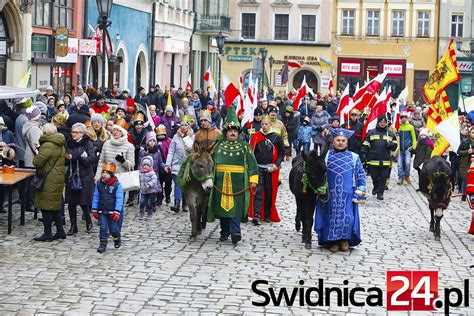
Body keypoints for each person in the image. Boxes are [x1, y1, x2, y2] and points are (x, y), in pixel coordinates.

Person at [207, 106, 259, 245]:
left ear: (238, 133)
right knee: (222, 209)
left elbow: (252, 164)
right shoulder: (218, 146)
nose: (232, 133)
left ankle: (236, 233)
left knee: (236, 208)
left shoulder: (245, 147)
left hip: (239, 185)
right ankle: (224, 232)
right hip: (220, 183)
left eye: (235, 131)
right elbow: (210, 163)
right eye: (230, 130)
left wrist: (253, 180)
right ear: (226, 132)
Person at [314, 128, 366, 252]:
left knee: (348, 217)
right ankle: (333, 242)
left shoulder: (354, 157)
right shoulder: (326, 156)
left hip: (348, 194)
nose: (341, 142)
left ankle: (345, 240)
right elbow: (318, 173)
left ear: (347, 142)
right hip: (330, 194)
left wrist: (362, 187)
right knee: (331, 217)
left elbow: (360, 174)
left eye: (343, 140)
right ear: (333, 141)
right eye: (338, 140)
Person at [33, 123, 67, 242]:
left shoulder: (48, 145)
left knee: (46, 206)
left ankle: (48, 234)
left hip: (49, 179)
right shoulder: (59, 143)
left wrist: (37, 153)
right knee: (54, 206)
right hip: (57, 177)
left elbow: (38, 162)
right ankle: (60, 231)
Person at [249, 115, 285, 225]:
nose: (264, 126)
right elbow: (251, 153)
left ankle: (267, 215)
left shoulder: (276, 137)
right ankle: (257, 215)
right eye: (262, 124)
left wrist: (277, 164)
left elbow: (282, 152)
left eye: (266, 124)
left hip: (270, 169)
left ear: (270, 124)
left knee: (269, 192)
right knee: (258, 191)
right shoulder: (256, 137)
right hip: (258, 167)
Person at [65, 123, 97, 235]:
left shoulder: (88, 143)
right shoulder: (69, 143)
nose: (73, 134)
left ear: (82, 133)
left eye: (76, 132)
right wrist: (67, 158)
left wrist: (78, 157)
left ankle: (88, 220)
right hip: (71, 175)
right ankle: (73, 226)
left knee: (83, 201)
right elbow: (65, 158)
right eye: (72, 132)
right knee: (71, 202)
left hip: (85, 176)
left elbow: (92, 159)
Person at [361, 114, 398, 200]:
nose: (382, 124)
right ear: (378, 122)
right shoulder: (371, 132)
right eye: (381, 122)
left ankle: (380, 193)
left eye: (384, 122)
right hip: (374, 159)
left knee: (384, 177)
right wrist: (363, 153)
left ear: (386, 123)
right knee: (374, 176)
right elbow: (366, 144)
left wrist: (391, 145)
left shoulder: (390, 133)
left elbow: (395, 145)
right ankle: (375, 186)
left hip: (385, 160)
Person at [92, 162, 124, 253]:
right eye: (103, 172)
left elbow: (119, 199)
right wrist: (94, 209)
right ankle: (102, 244)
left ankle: (117, 238)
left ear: (111, 174)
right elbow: (96, 197)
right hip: (102, 210)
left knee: (113, 229)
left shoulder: (117, 185)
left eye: (107, 173)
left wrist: (117, 211)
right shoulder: (99, 184)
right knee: (103, 228)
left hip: (113, 211)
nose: (104, 175)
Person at [165, 117, 194, 213]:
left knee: (185, 184)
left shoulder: (192, 137)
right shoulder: (175, 137)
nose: (183, 127)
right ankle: (177, 203)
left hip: (187, 164)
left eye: (186, 125)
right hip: (177, 164)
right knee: (178, 183)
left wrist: (186, 139)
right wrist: (167, 164)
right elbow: (171, 151)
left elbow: (192, 150)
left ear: (189, 126)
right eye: (182, 125)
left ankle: (185, 203)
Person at [138, 132, 165, 210]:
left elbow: (160, 162)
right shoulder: (143, 152)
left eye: (153, 141)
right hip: (145, 174)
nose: (152, 143)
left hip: (154, 174)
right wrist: (139, 171)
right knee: (146, 190)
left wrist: (165, 167)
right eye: (150, 141)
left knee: (153, 190)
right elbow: (140, 163)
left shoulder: (157, 152)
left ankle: (153, 203)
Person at [397, 111, 417, 185]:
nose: (404, 119)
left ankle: (407, 176)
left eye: (405, 117)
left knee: (408, 163)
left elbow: (413, 137)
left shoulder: (410, 127)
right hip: (400, 148)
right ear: (401, 118)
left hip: (407, 148)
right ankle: (400, 177)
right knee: (400, 164)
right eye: (402, 117)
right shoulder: (399, 126)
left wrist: (413, 146)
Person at [0, 117, 15, 213]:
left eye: (1, 124)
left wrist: (7, 149)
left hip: (5, 163)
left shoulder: (8, 134)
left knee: (2, 186)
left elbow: (13, 150)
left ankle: (0, 204)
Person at [155, 124, 172, 205]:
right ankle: (159, 197)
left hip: (167, 165)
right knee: (159, 184)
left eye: (162, 135)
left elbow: (171, 152)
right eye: (159, 135)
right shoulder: (155, 141)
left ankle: (167, 195)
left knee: (168, 183)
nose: (161, 136)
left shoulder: (169, 141)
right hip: (158, 166)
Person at [138, 156, 159, 220]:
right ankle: (141, 213)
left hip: (150, 191)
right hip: (143, 191)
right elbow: (137, 179)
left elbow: (154, 179)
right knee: (142, 202)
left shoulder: (152, 172)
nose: (145, 166)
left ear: (150, 166)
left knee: (149, 203)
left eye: (147, 165)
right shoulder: (140, 172)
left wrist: (150, 184)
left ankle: (150, 213)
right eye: (144, 165)